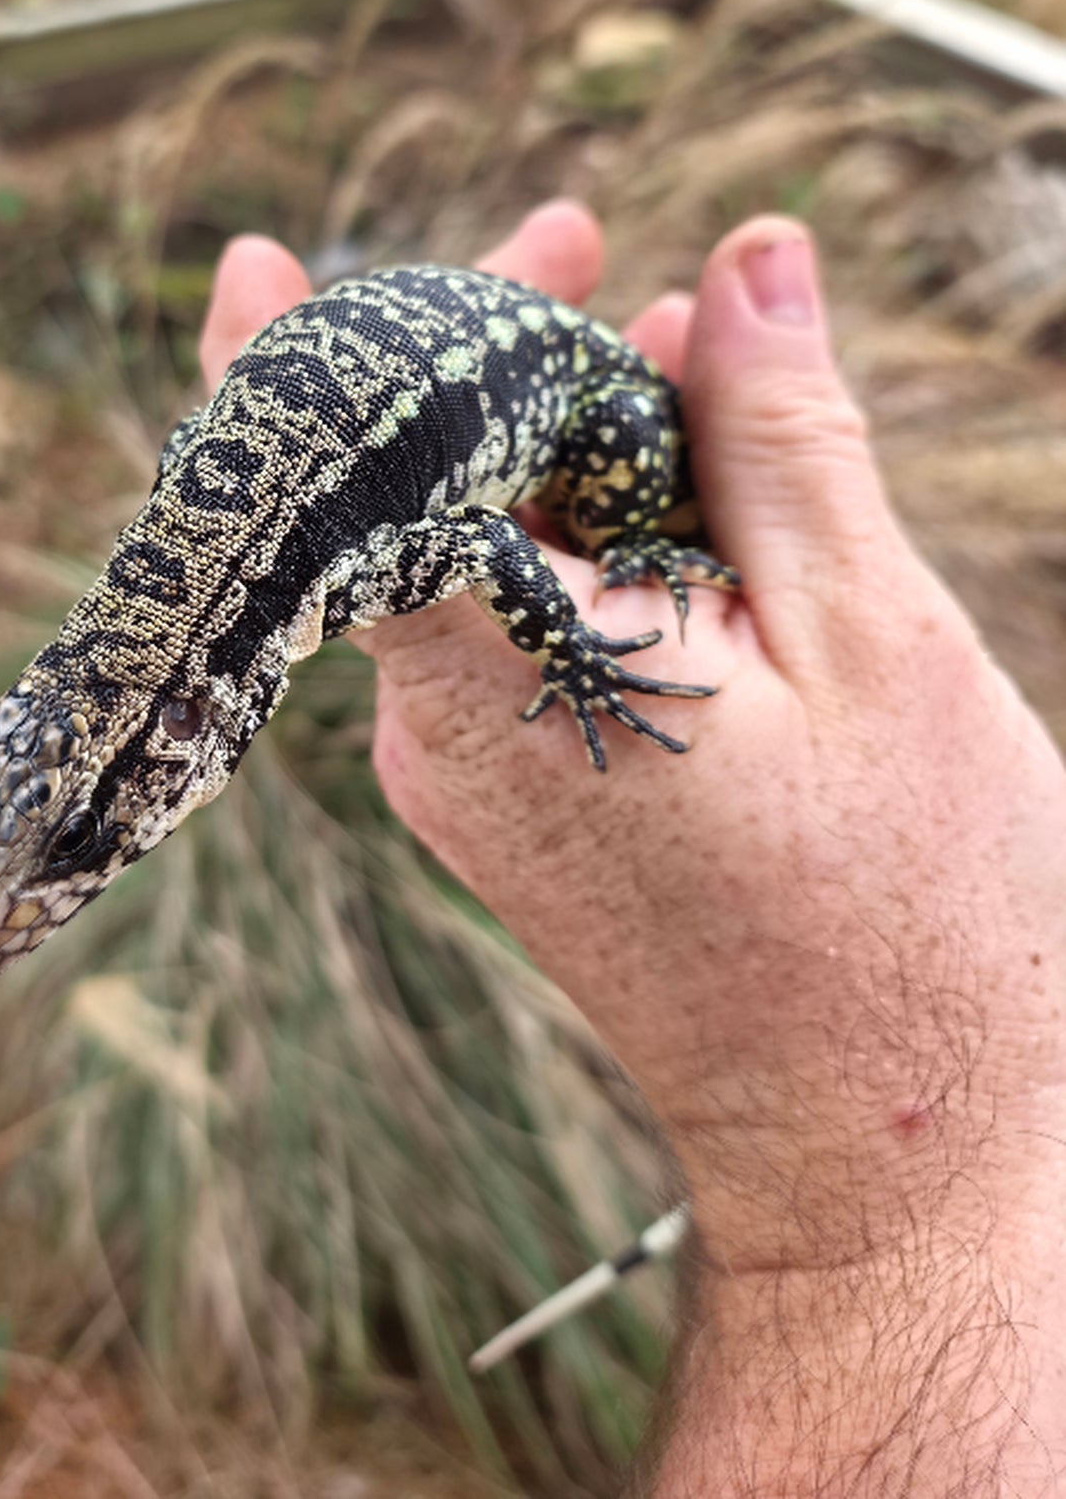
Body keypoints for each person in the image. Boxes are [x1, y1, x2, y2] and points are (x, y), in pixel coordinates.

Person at [198, 203, 1066, 1496]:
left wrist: (577, 643)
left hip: (582, 413)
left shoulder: (581, 460)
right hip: (523, 405)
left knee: (621, 464)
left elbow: (490, 529)